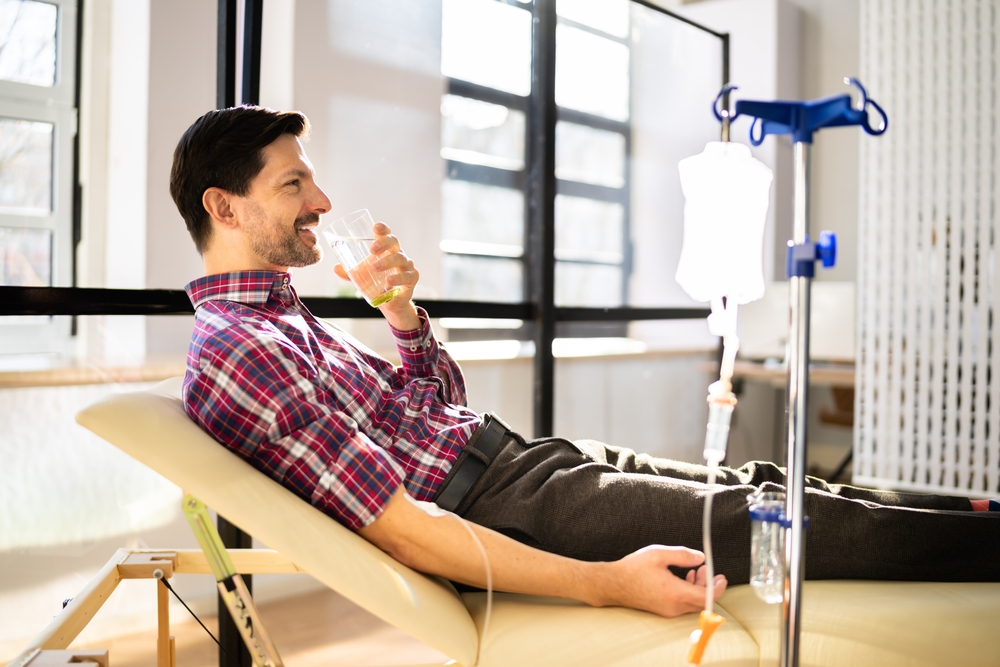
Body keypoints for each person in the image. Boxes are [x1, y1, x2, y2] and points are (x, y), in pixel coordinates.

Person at [170, 105, 1000, 620]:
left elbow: (436, 408)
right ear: (224, 205)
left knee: (766, 479)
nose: (319, 202)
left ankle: (981, 511)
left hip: (521, 462)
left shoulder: (280, 314)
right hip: (501, 506)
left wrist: (402, 317)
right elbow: (406, 528)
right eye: (294, 185)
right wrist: (608, 583)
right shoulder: (238, 352)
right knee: (777, 517)